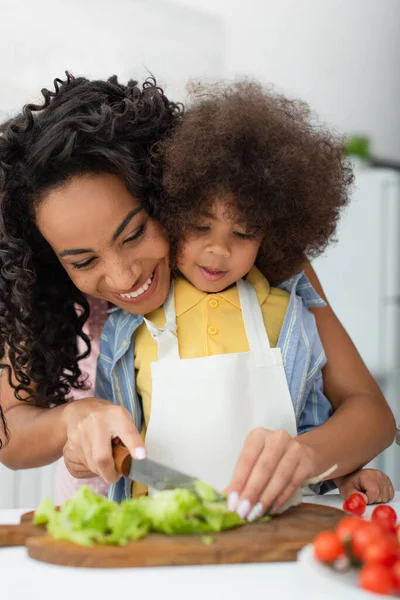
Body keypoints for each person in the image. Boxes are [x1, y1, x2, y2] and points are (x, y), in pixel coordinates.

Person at [0, 74, 394, 515]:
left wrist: (310, 457)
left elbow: (372, 413)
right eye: (83, 261)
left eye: (133, 234)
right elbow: (10, 434)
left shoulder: (255, 260)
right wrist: (73, 417)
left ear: (169, 193)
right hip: (113, 532)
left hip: (256, 528)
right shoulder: (42, 291)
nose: (123, 275)